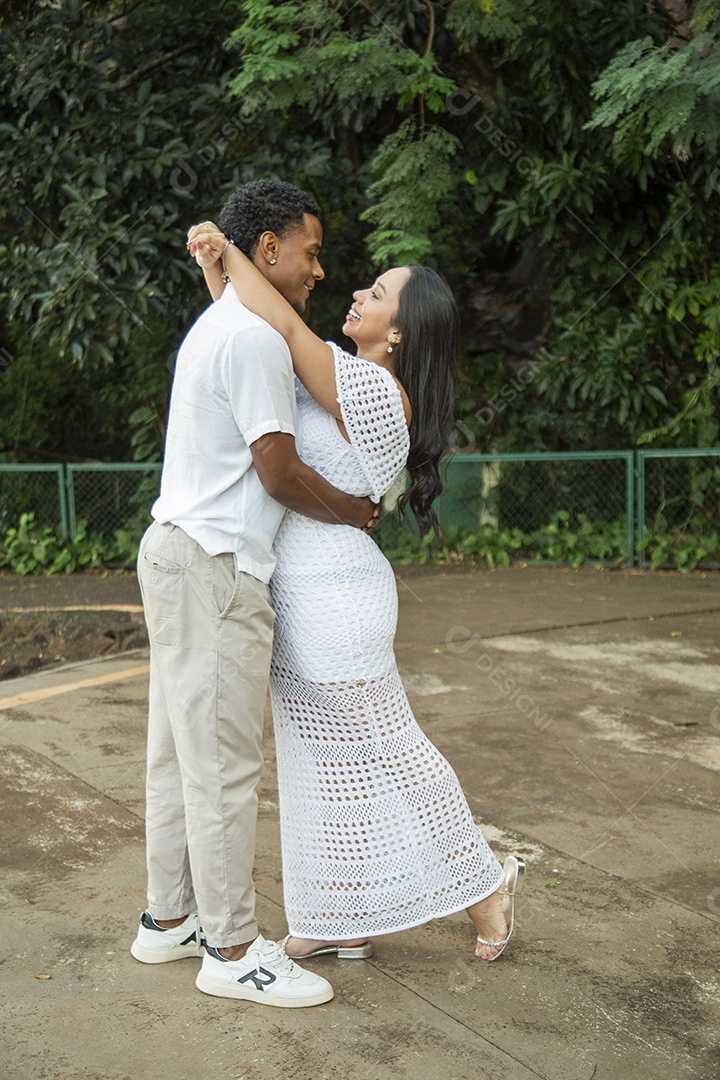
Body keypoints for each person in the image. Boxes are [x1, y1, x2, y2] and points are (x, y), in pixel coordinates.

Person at [186, 216, 525, 964]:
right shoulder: (338, 369)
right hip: (300, 592)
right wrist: (217, 268)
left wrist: (232, 245)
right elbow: (252, 330)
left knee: (390, 749)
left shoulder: (376, 391)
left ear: (398, 335)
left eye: (376, 294)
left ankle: (486, 889)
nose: (357, 295)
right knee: (318, 764)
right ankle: (335, 914)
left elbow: (275, 314)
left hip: (338, 598)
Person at [131, 180, 380, 1010]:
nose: (318, 270)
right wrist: (353, 512)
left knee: (178, 758)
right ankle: (232, 948)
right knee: (224, 768)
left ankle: (169, 920)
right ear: (265, 250)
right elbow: (276, 470)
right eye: (309, 251)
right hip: (213, 569)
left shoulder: (222, 323)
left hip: (175, 554)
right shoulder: (256, 341)